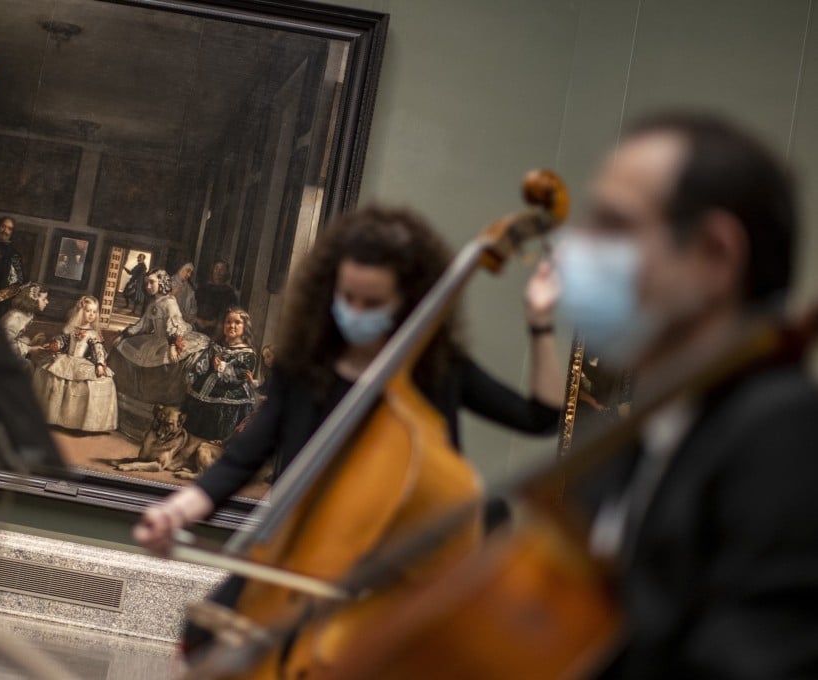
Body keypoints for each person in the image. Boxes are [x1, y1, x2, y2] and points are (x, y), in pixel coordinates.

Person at [133, 206, 564, 662]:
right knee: (205, 636)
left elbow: (539, 417)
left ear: (409, 302)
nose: (354, 312)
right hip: (300, 551)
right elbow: (243, 459)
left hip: (390, 574)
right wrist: (178, 510)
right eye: (347, 297)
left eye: (372, 303)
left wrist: (541, 324)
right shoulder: (305, 367)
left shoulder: (437, 371)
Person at [552, 112, 818, 678]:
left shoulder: (783, 433)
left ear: (715, 255)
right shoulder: (640, 432)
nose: (574, 251)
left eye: (613, 225)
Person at [107, 269, 209, 406]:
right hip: (156, 339)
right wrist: (124, 335)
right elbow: (143, 326)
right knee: (121, 346)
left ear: (162, 282)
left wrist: (173, 345)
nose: (148, 286)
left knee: (169, 364)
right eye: (146, 283)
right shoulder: (153, 304)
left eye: (152, 282)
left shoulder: (170, 302)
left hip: (171, 339)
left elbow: (175, 324)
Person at [32, 295, 117, 432]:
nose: (91, 315)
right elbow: (63, 341)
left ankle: (76, 423)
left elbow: (98, 349)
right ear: (80, 311)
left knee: (100, 381)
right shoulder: (71, 329)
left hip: (81, 362)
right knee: (49, 373)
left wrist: (100, 364)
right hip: (67, 359)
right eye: (88, 311)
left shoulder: (93, 334)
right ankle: (52, 418)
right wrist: (55, 345)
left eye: (94, 312)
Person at [182, 307, 258, 441]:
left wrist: (222, 367)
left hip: (230, 397)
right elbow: (201, 365)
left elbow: (240, 375)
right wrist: (206, 364)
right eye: (228, 322)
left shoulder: (247, 353)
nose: (232, 326)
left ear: (245, 327)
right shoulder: (215, 346)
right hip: (203, 391)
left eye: (237, 322)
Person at [0, 282, 48, 362]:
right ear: (33, 300)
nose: (47, 302)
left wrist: (31, 342)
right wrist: (29, 349)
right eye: (44, 299)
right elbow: (6, 346)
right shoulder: (14, 319)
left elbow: (16, 338)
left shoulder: (26, 314)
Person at [193, 260, 239, 334]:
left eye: (222, 270)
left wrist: (210, 323)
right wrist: (197, 320)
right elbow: (193, 307)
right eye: (216, 268)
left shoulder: (229, 294)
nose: (218, 272)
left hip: (216, 331)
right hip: (195, 327)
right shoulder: (202, 288)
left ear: (226, 273)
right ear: (213, 271)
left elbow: (228, 317)